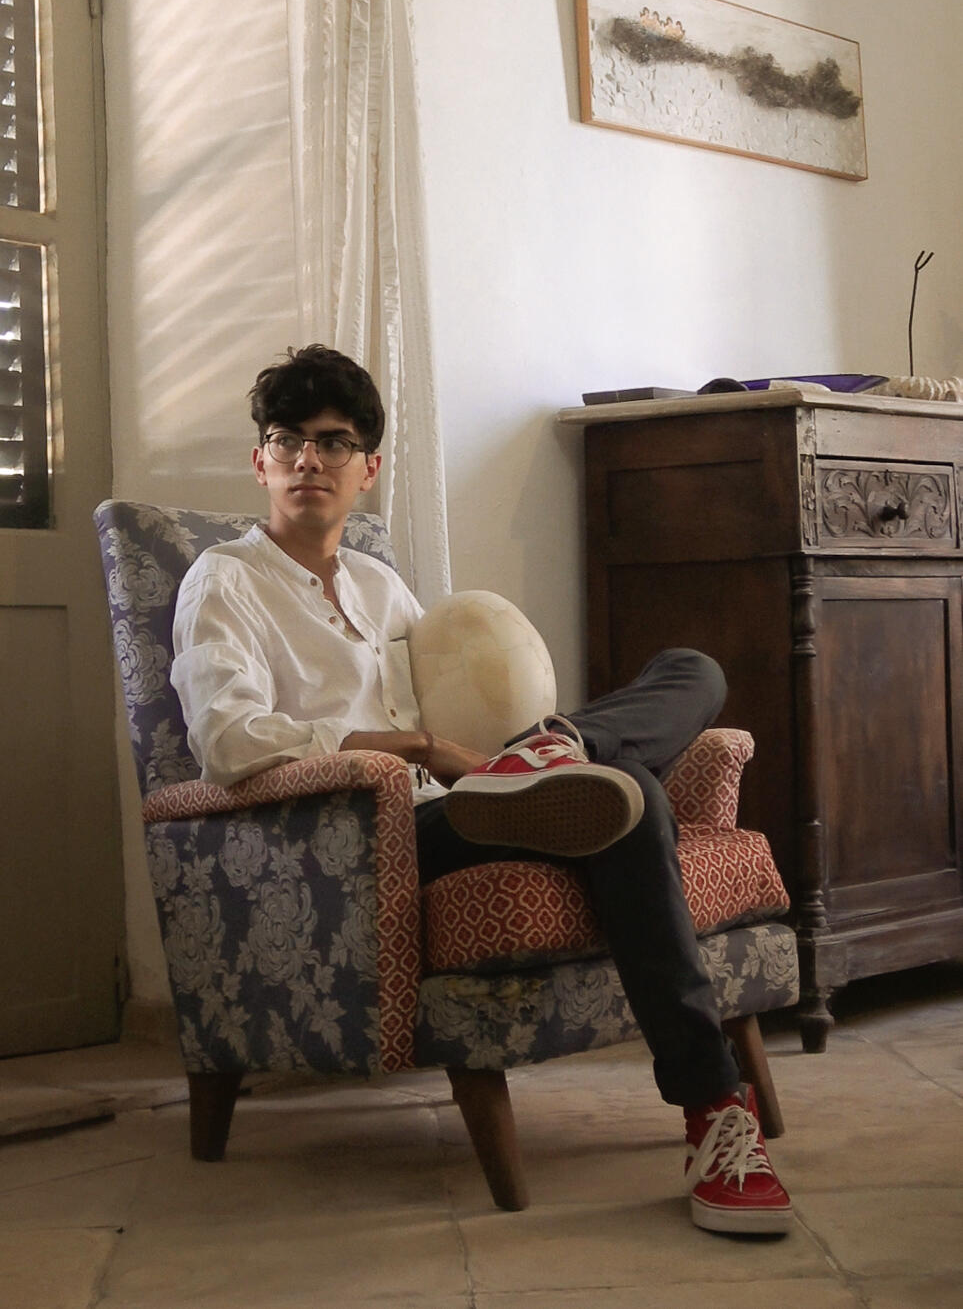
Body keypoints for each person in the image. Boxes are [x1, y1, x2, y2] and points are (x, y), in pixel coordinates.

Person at [171, 344, 792, 1236]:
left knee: (689, 674)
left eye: (333, 442)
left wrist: (507, 746)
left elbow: (458, 696)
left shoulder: (381, 586)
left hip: (464, 804)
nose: (308, 459)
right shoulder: (224, 579)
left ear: (367, 468)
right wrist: (416, 746)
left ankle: (559, 751)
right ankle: (713, 1108)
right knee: (627, 794)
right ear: (259, 461)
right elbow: (229, 740)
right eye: (287, 440)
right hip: (359, 833)